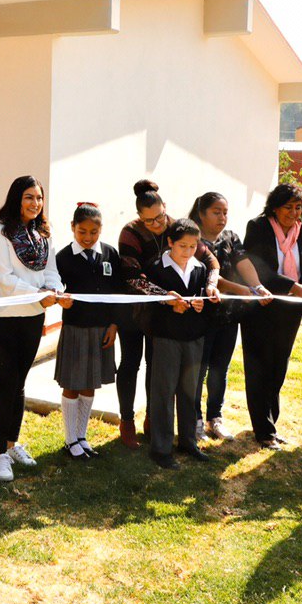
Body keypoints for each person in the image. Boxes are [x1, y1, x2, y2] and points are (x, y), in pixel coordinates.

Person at [116, 180, 220, 449]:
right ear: (139, 216)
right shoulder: (129, 232)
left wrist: (210, 284)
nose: (156, 224)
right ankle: (127, 421)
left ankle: (154, 418)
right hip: (133, 309)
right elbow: (132, 277)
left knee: (156, 365)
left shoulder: (178, 227)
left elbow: (211, 261)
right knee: (130, 363)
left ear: (166, 208)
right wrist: (164, 295)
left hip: (163, 316)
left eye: (159, 217)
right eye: (148, 220)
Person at [0, 175, 66, 482]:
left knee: (18, 384)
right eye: (29, 197)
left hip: (32, 318)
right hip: (1, 318)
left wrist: (54, 292)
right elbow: (4, 279)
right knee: (5, 384)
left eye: (39, 198)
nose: (35, 203)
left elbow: (53, 271)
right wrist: (40, 295)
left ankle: (12, 444)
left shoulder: (42, 232)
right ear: (17, 198)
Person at [241, 183, 302, 449]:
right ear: (275, 206)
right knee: (258, 368)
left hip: (290, 310)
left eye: (298, 207)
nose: (294, 212)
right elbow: (257, 267)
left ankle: (270, 425)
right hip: (261, 308)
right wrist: (289, 285)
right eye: (288, 207)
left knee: (278, 367)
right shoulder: (259, 227)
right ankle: (263, 430)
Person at [188, 191, 271, 443]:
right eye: (216, 212)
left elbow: (242, 262)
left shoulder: (230, 237)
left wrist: (257, 286)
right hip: (200, 315)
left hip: (227, 315)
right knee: (198, 370)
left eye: (225, 212)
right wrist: (240, 289)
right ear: (202, 213)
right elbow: (209, 276)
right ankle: (195, 420)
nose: (222, 217)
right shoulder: (192, 238)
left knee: (219, 369)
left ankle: (216, 417)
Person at [53, 203, 127, 460]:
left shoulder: (110, 254)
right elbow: (54, 287)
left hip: (102, 330)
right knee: (72, 383)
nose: (87, 237)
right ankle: (69, 439)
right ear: (72, 227)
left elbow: (118, 291)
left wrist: (114, 325)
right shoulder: (62, 257)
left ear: (101, 229)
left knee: (90, 383)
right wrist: (59, 297)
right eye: (82, 231)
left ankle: (82, 436)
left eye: (93, 232)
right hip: (75, 328)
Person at [141, 219, 210, 469]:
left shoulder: (200, 268)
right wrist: (167, 302)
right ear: (170, 242)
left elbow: (202, 294)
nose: (188, 251)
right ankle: (161, 448)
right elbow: (146, 299)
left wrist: (200, 304)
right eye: (183, 246)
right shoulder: (156, 267)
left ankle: (188, 442)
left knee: (190, 392)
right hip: (166, 338)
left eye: (193, 246)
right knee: (164, 392)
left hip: (194, 338)